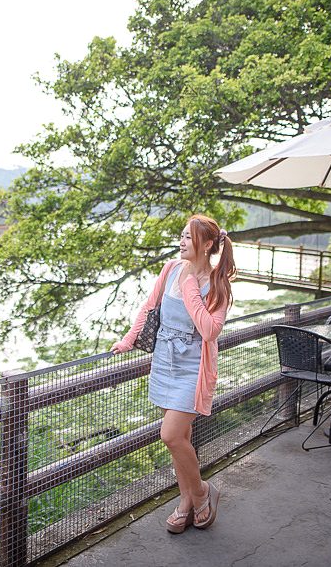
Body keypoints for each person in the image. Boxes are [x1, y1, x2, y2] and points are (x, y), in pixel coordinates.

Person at [111, 215, 235, 534]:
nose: (181, 241)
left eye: (188, 238)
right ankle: (185, 502)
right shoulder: (170, 269)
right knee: (180, 439)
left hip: (192, 370)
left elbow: (209, 331)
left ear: (207, 245)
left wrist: (190, 287)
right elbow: (149, 307)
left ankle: (201, 492)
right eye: (180, 235)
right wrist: (128, 339)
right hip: (164, 363)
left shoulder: (218, 285)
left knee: (170, 435)